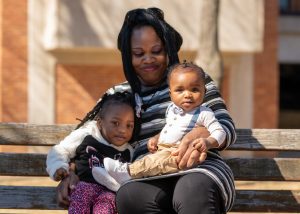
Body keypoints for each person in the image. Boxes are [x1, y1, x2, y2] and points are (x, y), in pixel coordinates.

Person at [56, 7, 237, 214]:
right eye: (138, 53)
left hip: (199, 169)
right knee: (129, 196)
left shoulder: (193, 82)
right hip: (146, 174)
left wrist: (200, 134)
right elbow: (88, 138)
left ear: (168, 48)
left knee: (191, 190)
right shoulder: (118, 96)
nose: (148, 59)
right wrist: (70, 173)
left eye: (156, 51)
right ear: (127, 56)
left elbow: (226, 127)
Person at [101, 61, 226, 184]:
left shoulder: (204, 113)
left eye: (194, 90)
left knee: (154, 163)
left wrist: (208, 142)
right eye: (180, 90)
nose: (187, 94)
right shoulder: (171, 109)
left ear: (204, 91)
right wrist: (156, 138)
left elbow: (220, 132)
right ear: (171, 95)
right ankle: (118, 177)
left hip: (178, 153)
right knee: (152, 161)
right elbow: (169, 128)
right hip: (162, 149)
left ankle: (127, 172)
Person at [46, 92, 136, 214]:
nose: (122, 130)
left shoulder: (128, 151)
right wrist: (59, 167)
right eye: (115, 123)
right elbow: (61, 150)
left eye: (129, 125)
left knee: (108, 204)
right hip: (83, 187)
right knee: (80, 195)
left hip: (109, 193)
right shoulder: (87, 134)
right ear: (100, 122)